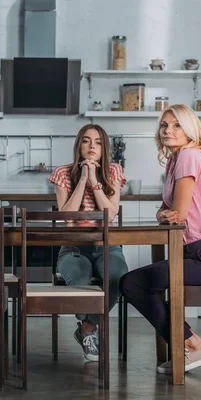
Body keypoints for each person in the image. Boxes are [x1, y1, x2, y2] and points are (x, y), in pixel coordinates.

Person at [119, 104, 201, 373]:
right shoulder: (175, 161)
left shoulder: (188, 155)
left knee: (133, 283)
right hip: (198, 254)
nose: (168, 131)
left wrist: (167, 214)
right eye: (164, 125)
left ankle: (192, 344)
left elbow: (177, 215)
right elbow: (165, 212)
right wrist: (166, 214)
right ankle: (190, 343)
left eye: (176, 125)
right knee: (134, 283)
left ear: (190, 131)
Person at [48, 123, 128, 362]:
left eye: (98, 142)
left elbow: (110, 214)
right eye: (86, 141)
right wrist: (82, 178)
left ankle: (87, 327)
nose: (92, 146)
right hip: (73, 248)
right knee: (80, 279)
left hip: (107, 245)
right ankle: (89, 329)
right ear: (78, 145)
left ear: (104, 148)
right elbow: (67, 216)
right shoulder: (63, 172)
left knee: (118, 277)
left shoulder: (113, 171)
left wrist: (94, 179)